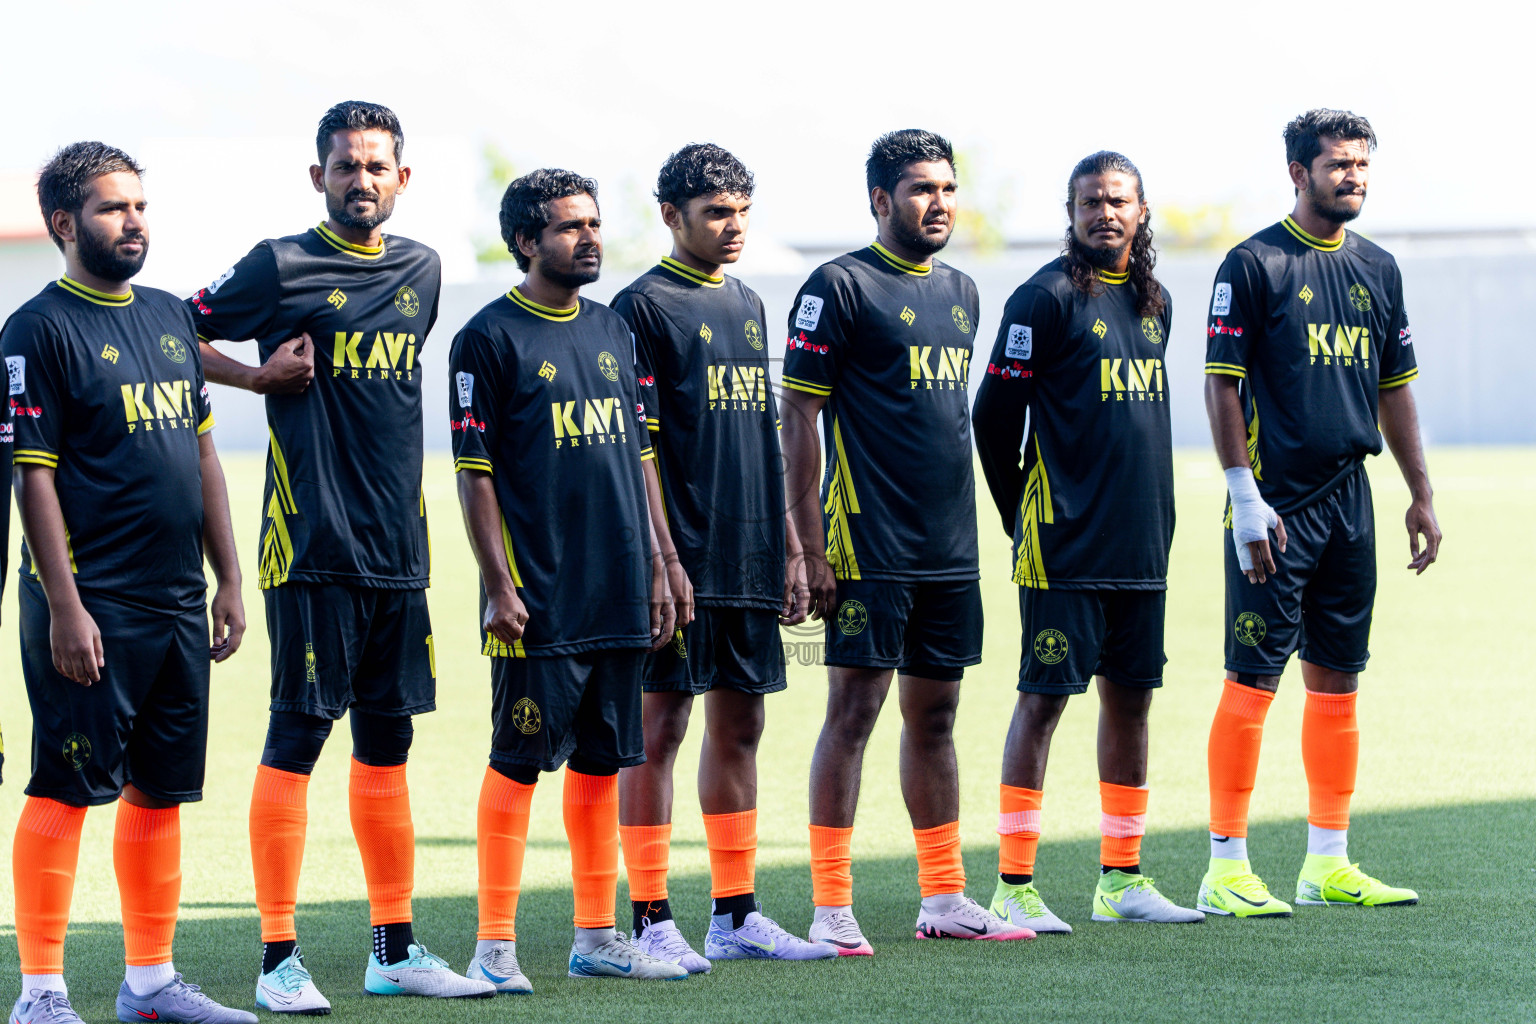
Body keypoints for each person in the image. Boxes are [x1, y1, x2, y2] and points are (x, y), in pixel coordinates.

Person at [188, 101, 492, 1007]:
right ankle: (277, 961)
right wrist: (254, 376)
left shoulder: (423, 269)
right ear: (316, 176)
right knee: (298, 736)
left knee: (388, 744)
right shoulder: (277, 265)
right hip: (312, 543)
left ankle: (393, 951)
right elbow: (168, 329)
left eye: (377, 165)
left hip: (401, 546)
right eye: (345, 165)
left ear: (404, 177)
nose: (362, 179)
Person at [6, 141, 251, 1024]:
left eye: (140, 205)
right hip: (92, 608)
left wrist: (227, 581)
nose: (134, 220)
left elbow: (202, 459)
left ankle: (149, 985)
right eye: (114, 208)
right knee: (67, 788)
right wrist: (64, 607)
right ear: (66, 223)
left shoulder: (168, 319)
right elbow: (34, 477)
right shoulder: (37, 329)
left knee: (159, 791)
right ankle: (40, 993)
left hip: (178, 602)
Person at [780, 129, 1033, 952]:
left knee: (939, 715)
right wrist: (809, 548)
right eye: (921, 189)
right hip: (865, 543)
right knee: (852, 711)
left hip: (949, 547)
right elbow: (798, 417)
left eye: (949, 188)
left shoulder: (961, 288)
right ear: (880, 200)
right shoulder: (839, 286)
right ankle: (830, 905)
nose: (940, 203)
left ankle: (945, 897)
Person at [1198, 108, 1440, 917]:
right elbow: (1220, 384)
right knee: (1254, 677)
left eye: (1363, 164)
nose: (1355, 177)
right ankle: (1225, 865)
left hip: (1351, 503)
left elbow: (1394, 387)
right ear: (1298, 173)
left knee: (1339, 679)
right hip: (1276, 503)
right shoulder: (1253, 263)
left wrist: (1421, 492)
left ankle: (1327, 861)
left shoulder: (1379, 267)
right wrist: (1243, 497)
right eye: (1338, 164)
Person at [451, 168, 690, 989]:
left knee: (601, 764)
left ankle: (597, 937)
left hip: (621, 589)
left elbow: (644, 454)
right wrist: (498, 584)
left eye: (593, 224)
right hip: (540, 599)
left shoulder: (616, 330)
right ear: (526, 241)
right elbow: (474, 472)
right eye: (567, 227)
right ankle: (494, 946)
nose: (588, 237)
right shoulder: (486, 339)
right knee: (518, 762)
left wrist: (663, 560)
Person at [610, 143, 830, 971]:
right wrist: (665, 557)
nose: (733, 226)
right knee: (660, 726)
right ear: (671, 216)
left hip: (749, 552)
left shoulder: (747, 302)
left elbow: (771, 439)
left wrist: (792, 547)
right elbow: (640, 448)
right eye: (714, 212)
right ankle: (651, 917)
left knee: (742, 723)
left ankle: (734, 915)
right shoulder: (640, 308)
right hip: (678, 558)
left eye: (741, 210)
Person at [973, 151, 1204, 932]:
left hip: (1141, 543)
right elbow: (993, 417)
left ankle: (1122, 880)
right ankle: (1014, 885)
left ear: (1141, 211)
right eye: (1090, 202)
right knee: (1042, 704)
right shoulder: (1041, 299)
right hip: (1063, 543)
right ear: (1069, 213)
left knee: (1131, 705)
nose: (1106, 213)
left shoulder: (1155, 301)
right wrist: (1021, 515)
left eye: (1119, 201)